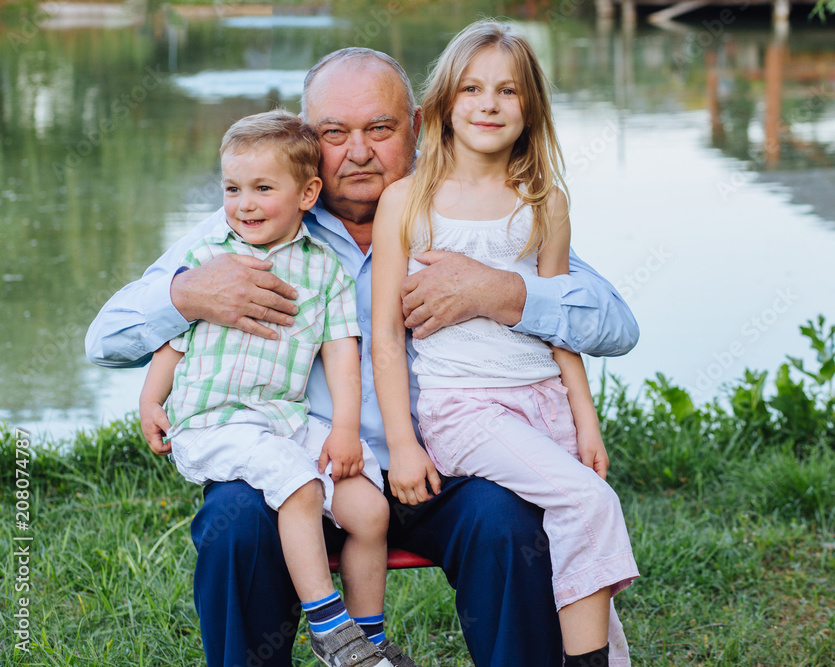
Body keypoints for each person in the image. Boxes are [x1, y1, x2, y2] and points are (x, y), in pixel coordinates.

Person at [86, 46, 639, 667]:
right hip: (307, 471)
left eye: (379, 129)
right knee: (233, 521)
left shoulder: (465, 207)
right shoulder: (257, 221)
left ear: (419, 126)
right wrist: (186, 294)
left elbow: (613, 324)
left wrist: (502, 291)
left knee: (506, 521)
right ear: (306, 142)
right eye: (333, 133)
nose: (359, 151)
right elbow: (105, 339)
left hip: (441, 464)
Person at [371, 21, 638, 667]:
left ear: (532, 108)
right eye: (472, 88)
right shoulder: (408, 201)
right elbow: (385, 332)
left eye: (508, 91)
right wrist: (403, 443)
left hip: (543, 400)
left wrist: (586, 417)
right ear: (442, 105)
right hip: (466, 408)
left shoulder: (544, 202)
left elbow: (560, 323)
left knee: (573, 535)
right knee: (590, 503)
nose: (489, 104)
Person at [137, 110, 411, 667]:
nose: (245, 204)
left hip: (282, 419)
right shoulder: (208, 257)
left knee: (368, 508)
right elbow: (173, 338)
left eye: (263, 189)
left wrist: (344, 431)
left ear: (308, 192)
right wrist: (150, 399)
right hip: (215, 420)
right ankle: (330, 629)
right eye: (233, 189)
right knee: (300, 484)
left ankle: (370, 639)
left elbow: (342, 356)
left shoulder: (323, 270)